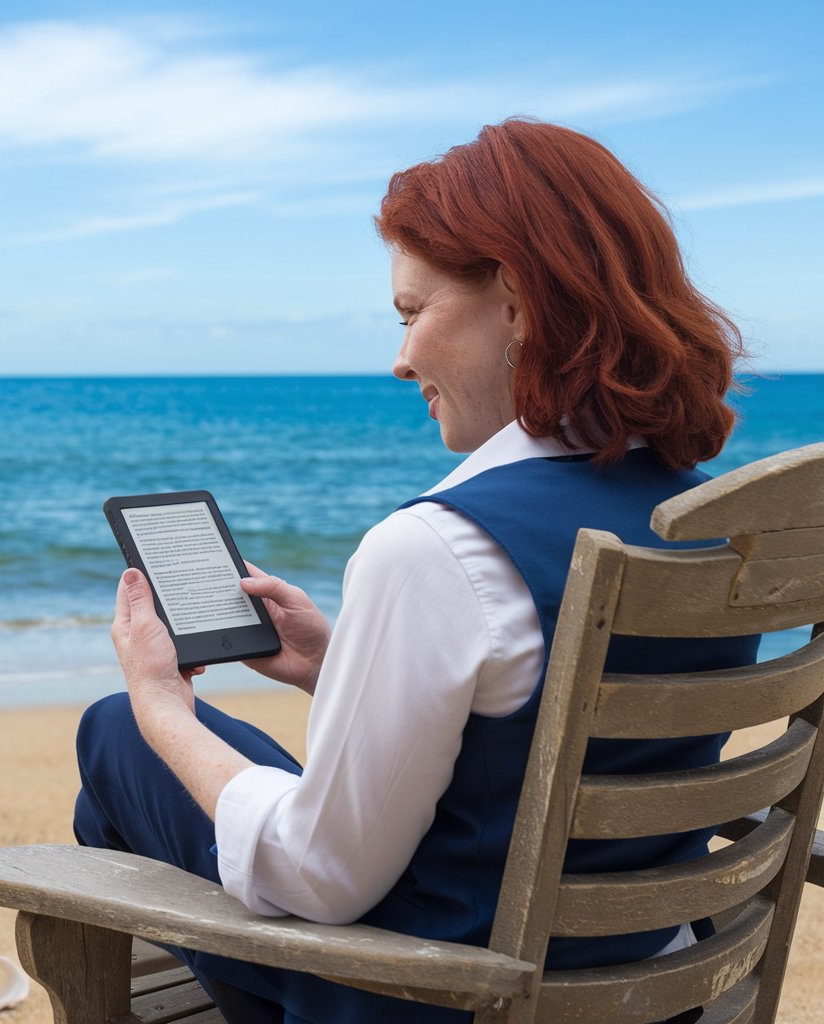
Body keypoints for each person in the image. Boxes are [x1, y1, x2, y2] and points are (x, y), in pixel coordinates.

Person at [73, 118, 758, 1024]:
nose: (400, 362)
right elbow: (567, 749)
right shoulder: (710, 525)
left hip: (434, 991)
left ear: (518, 302)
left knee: (118, 733)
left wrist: (164, 704)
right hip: (635, 980)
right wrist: (337, 663)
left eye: (412, 314)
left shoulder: (439, 548)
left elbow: (320, 878)